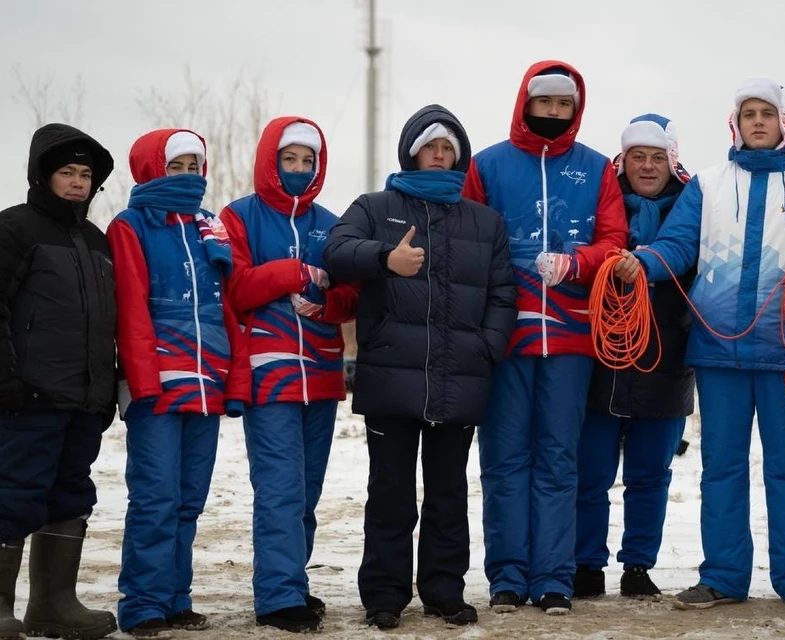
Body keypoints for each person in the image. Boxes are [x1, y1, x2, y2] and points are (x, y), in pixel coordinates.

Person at [634, 76, 785, 614]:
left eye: (766, 113)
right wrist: (639, 263)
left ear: (783, 122)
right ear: (735, 123)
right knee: (722, 467)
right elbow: (678, 245)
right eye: (748, 113)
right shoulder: (707, 185)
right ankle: (724, 576)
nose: (757, 121)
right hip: (717, 350)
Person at [324, 104, 516, 630]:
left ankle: (444, 592)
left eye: (447, 147)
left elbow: (503, 294)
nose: (439, 153)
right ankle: (384, 597)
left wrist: (487, 347)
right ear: (411, 150)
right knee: (389, 492)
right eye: (430, 144)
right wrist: (385, 258)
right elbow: (336, 249)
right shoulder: (375, 206)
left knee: (449, 492)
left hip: (461, 378)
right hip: (391, 376)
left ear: (459, 156)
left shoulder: (484, 220)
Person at [462, 60, 628, 615]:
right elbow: (467, 242)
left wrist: (577, 263)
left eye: (565, 105)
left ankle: (554, 577)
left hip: (571, 337)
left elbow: (613, 240)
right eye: (545, 103)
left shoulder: (598, 168)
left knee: (559, 458)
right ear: (525, 103)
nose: (555, 113)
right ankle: (507, 576)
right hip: (506, 337)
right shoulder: (486, 165)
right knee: (504, 459)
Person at [108, 128, 251, 637]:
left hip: (207, 381)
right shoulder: (130, 226)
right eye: (177, 166)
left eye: (195, 167)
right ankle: (142, 603)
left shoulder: (210, 226)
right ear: (152, 168)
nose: (189, 176)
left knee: (189, 498)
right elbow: (130, 307)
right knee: (155, 496)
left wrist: (234, 382)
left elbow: (228, 308)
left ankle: (175, 598)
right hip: (158, 385)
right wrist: (143, 384)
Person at [219, 116, 357, 633]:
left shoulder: (333, 221)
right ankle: (277, 596)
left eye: (308, 161)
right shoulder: (239, 218)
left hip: (321, 374)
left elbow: (350, 295)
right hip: (268, 375)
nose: (299, 169)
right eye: (290, 160)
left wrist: (326, 305)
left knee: (307, 490)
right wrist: (295, 271)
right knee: (278, 487)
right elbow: (236, 289)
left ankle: (292, 580)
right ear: (269, 161)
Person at [0, 123, 118, 640]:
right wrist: (5, 379)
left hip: (84, 398)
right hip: (28, 394)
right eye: (66, 172)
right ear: (43, 176)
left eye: (86, 174)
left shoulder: (97, 240)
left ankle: (52, 605)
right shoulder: (14, 229)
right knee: (13, 493)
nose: (77, 182)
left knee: (71, 494)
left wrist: (106, 388)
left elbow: (106, 319)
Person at [573, 114, 694, 601]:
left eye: (658, 157)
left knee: (650, 475)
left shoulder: (692, 210)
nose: (648, 166)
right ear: (623, 161)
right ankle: (586, 563)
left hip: (666, 360)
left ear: (673, 160)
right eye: (638, 157)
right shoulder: (600, 207)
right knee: (591, 471)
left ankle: (638, 565)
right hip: (599, 358)